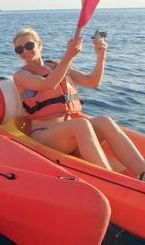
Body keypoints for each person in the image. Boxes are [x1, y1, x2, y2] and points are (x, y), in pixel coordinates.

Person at [12, 27, 145, 180]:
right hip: (44, 135)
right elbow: (49, 84)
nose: (25, 51)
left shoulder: (56, 66)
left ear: (39, 45)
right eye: (19, 49)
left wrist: (101, 55)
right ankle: (114, 181)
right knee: (81, 124)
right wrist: (69, 56)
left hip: (70, 135)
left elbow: (93, 81)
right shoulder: (21, 75)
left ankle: (143, 172)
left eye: (29, 46)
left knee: (104, 121)